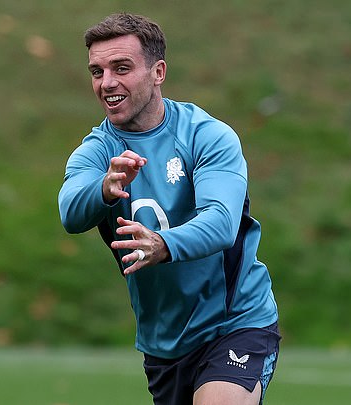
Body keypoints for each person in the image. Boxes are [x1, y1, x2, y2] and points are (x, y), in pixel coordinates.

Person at [58, 13, 280, 405]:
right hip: (165, 342)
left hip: (234, 322)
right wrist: (104, 189)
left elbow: (221, 223)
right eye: (97, 71)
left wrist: (162, 244)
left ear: (158, 72)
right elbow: (70, 212)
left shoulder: (206, 136)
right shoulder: (96, 151)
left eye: (121, 68)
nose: (106, 83)